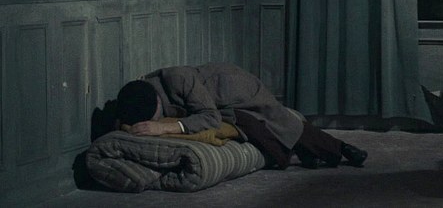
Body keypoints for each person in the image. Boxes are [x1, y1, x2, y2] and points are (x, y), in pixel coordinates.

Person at [114, 62, 367, 170]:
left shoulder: (177, 79)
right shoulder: (139, 93)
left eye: (156, 117)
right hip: (220, 103)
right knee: (262, 134)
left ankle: (340, 148)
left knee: (281, 124)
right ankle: (316, 153)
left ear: (158, 102)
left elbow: (210, 117)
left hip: (237, 91)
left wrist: (165, 128)